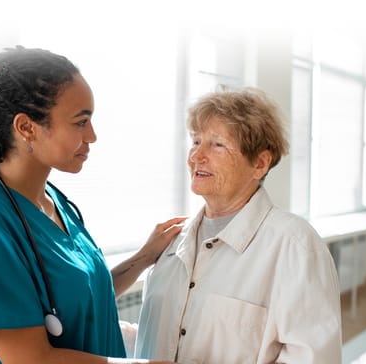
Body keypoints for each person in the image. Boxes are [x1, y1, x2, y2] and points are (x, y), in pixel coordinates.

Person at [0, 46, 185, 364]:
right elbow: (31, 359)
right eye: (80, 122)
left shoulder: (54, 202)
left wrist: (146, 257)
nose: (92, 136)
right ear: (26, 127)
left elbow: (81, 298)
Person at [134, 86, 343, 363]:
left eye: (217, 144)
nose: (196, 156)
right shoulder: (170, 243)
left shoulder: (295, 247)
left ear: (260, 163)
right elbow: (162, 338)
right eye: (196, 141)